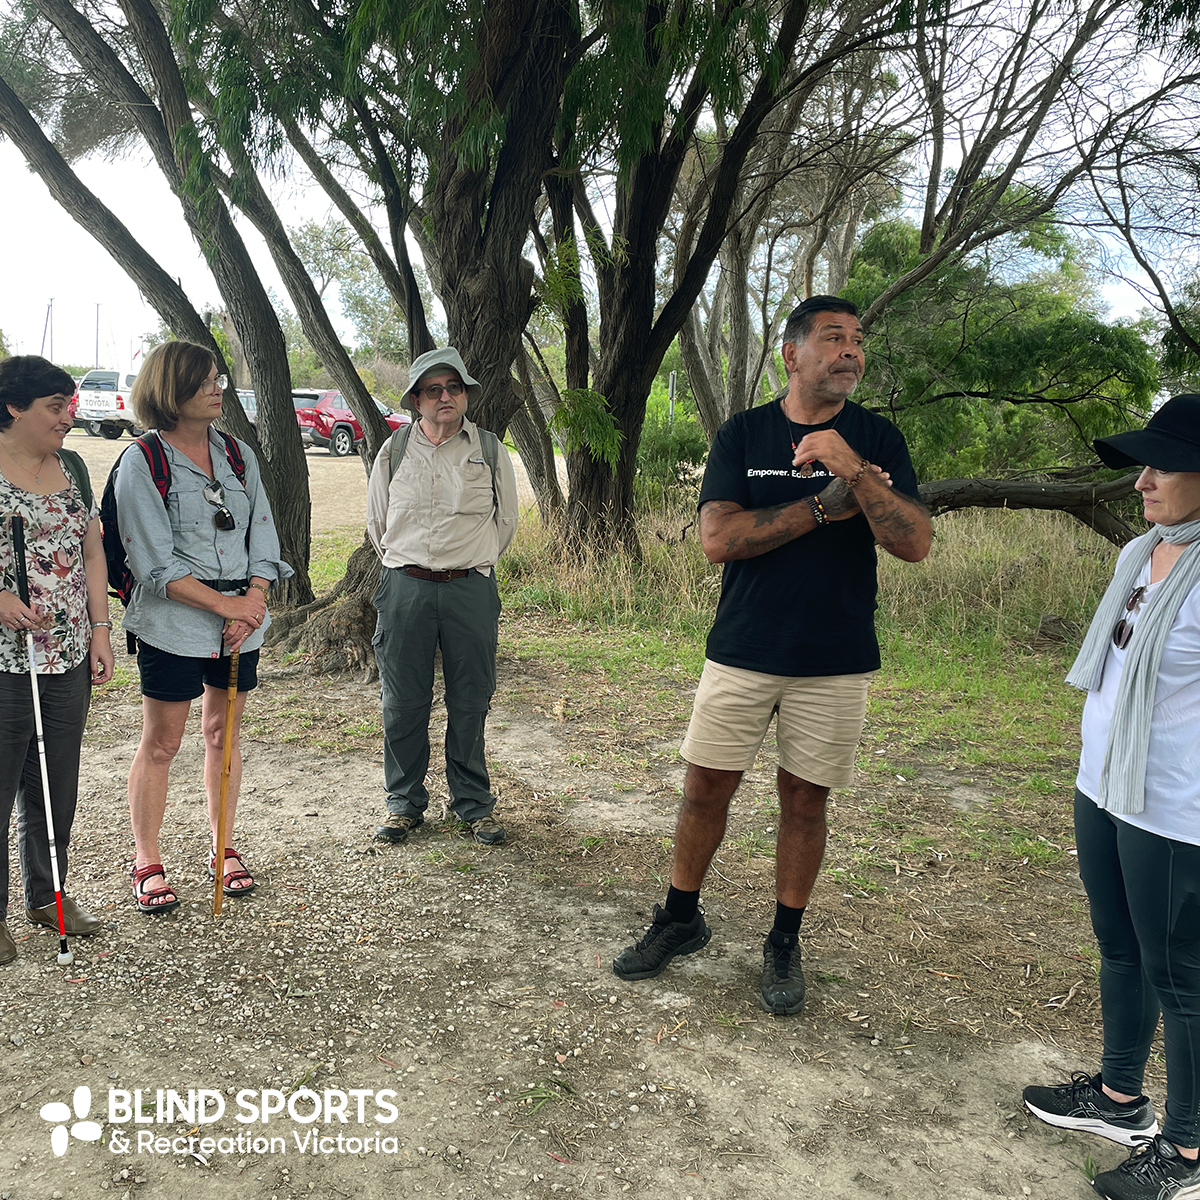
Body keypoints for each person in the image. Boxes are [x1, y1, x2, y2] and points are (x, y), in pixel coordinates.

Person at [613, 296, 932, 1014]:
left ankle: (784, 939)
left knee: (804, 800)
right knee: (704, 790)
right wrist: (821, 506)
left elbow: (913, 543)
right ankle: (679, 917)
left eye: (857, 340)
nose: (850, 350)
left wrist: (854, 468)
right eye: (832, 338)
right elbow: (718, 541)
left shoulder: (878, 437)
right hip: (745, 647)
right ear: (791, 355)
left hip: (837, 653)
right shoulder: (745, 434)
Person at [1022, 394, 1200, 1200]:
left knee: (1182, 976)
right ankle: (1121, 1099)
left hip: (1174, 807)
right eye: (1143, 464)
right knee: (1119, 944)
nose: (1143, 481)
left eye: (1163, 465)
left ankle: (1190, 1154)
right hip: (1105, 787)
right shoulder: (1144, 553)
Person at [115, 341, 291, 913]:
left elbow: (263, 533)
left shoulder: (238, 454)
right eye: (207, 380)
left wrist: (256, 598)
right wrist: (227, 608)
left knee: (224, 735)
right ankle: (147, 859)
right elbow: (155, 565)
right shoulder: (144, 461)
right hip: (174, 625)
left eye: (219, 378)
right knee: (164, 741)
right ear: (171, 390)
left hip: (241, 624)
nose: (220, 388)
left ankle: (223, 847)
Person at [366, 347, 518, 846]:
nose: (446, 397)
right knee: (403, 703)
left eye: (454, 388)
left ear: (466, 395)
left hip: (469, 589)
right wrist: (411, 566)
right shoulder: (393, 451)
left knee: (471, 700)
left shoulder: (491, 449)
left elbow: (505, 522)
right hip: (404, 588)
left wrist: (469, 563)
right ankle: (403, 803)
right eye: (434, 390)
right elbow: (378, 523)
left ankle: (473, 805)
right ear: (416, 400)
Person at [0, 355, 114, 964]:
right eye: (55, 406)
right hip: (4, 657)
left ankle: (49, 897)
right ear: (15, 407)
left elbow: (91, 551)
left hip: (64, 650)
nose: (68, 417)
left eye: (70, 404)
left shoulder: (70, 466)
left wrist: (100, 628)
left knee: (54, 782)